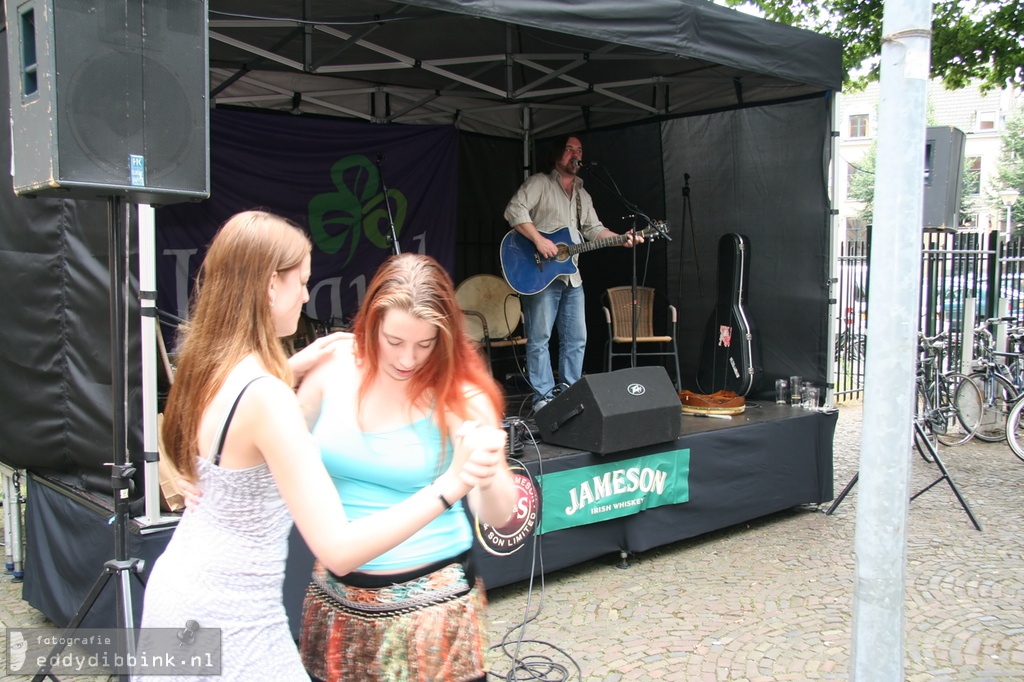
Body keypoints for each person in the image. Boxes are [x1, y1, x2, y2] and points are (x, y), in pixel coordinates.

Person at [138, 211, 506, 682]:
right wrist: (450, 485)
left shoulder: (214, 367)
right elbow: (338, 549)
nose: (308, 295)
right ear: (272, 286)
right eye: (303, 282)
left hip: (176, 597)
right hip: (233, 617)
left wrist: (289, 368)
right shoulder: (268, 397)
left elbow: (205, 427)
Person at [295, 253, 519, 682]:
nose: (407, 359)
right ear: (371, 322)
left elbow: (498, 514)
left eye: (425, 343)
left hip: (431, 613)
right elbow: (272, 443)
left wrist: (487, 472)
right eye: (394, 341)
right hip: (335, 602)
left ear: (445, 337)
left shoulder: (461, 393)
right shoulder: (331, 368)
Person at [503, 133, 641, 412]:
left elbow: (593, 230)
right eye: (569, 149)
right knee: (540, 338)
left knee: (577, 338)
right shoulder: (540, 183)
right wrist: (539, 241)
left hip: (571, 276)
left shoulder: (582, 193)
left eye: (579, 150)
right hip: (540, 275)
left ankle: (570, 395)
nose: (576, 155)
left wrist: (621, 237)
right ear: (556, 155)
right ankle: (543, 399)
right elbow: (514, 210)